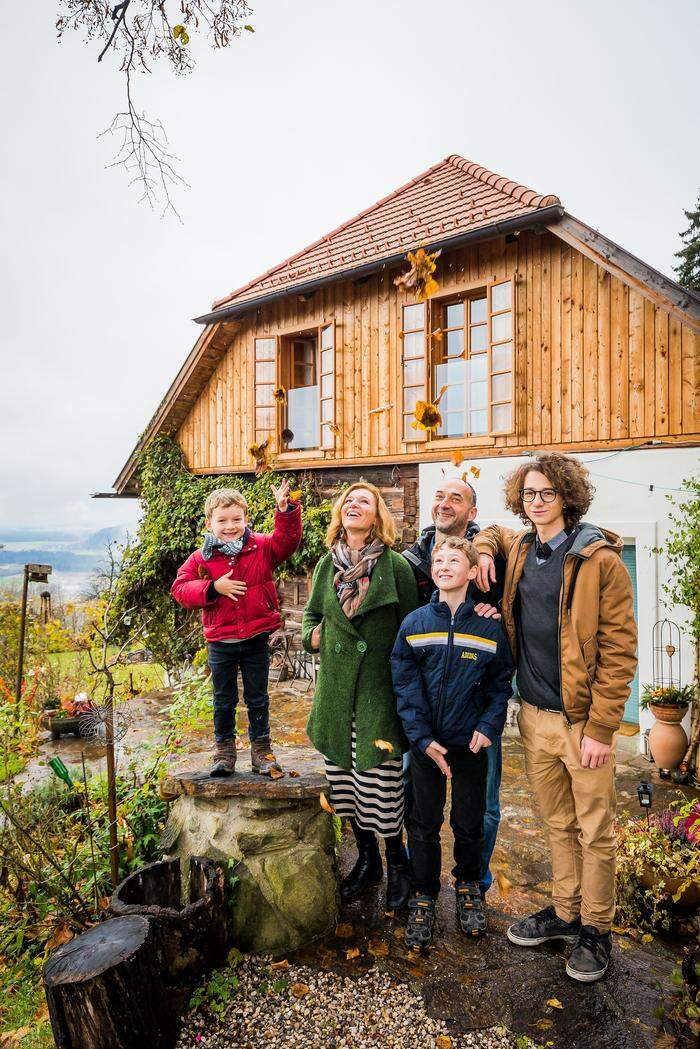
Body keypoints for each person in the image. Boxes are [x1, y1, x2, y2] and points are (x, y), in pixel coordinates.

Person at [473, 452, 637, 983]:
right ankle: (566, 913)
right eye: (529, 494)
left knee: (596, 831)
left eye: (546, 493)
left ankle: (597, 931)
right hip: (535, 716)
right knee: (557, 825)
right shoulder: (522, 548)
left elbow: (619, 650)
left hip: (582, 724)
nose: (537, 502)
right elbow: (491, 535)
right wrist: (478, 550)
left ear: (566, 496)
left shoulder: (599, 559)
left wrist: (602, 728)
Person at [391, 536, 514, 949]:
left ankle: (467, 888)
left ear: (472, 570)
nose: (444, 565)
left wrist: (488, 725)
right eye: (438, 559)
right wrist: (421, 738)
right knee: (423, 823)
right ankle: (424, 894)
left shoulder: (487, 625)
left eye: (454, 559)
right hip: (427, 747)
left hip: (470, 745)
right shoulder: (414, 624)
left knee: (469, 822)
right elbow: (405, 685)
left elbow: (500, 686)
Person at [301, 482, 419, 911]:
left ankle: (397, 864)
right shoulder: (324, 567)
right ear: (340, 513)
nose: (354, 505)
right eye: (347, 501)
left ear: (377, 517)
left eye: (363, 501)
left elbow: (412, 630)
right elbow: (311, 618)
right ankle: (367, 861)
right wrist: (314, 636)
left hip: (376, 695)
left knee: (383, 788)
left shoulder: (396, 567)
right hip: (336, 697)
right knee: (346, 787)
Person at [403, 476, 506, 896]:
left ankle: (473, 882)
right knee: (420, 806)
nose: (444, 503)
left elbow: (502, 650)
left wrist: (491, 610)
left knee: (480, 806)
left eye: (456, 497)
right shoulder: (412, 560)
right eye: (439, 496)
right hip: (424, 710)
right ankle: (421, 884)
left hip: (474, 709)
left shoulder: (490, 558)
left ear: (472, 511)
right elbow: (404, 648)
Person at [171, 480, 302, 777]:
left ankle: (261, 752)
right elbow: (179, 588)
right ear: (209, 523)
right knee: (224, 698)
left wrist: (285, 511)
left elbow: (288, 541)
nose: (230, 526)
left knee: (258, 697)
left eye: (236, 519)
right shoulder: (201, 557)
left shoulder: (262, 546)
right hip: (220, 641)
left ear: (246, 518)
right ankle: (224, 752)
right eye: (222, 520)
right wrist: (213, 587)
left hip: (256, 638)